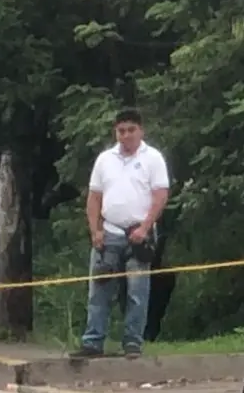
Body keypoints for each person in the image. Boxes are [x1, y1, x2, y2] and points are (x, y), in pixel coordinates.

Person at [71, 108, 170, 360]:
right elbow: (94, 197)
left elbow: (160, 197)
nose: (125, 136)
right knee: (99, 289)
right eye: (121, 131)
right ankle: (93, 341)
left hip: (140, 233)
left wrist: (145, 227)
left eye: (130, 130)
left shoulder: (153, 158)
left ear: (141, 131)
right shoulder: (105, 159)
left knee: (137, 291)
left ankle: (133, 343)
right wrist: (95, 230)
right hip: (110, 232)